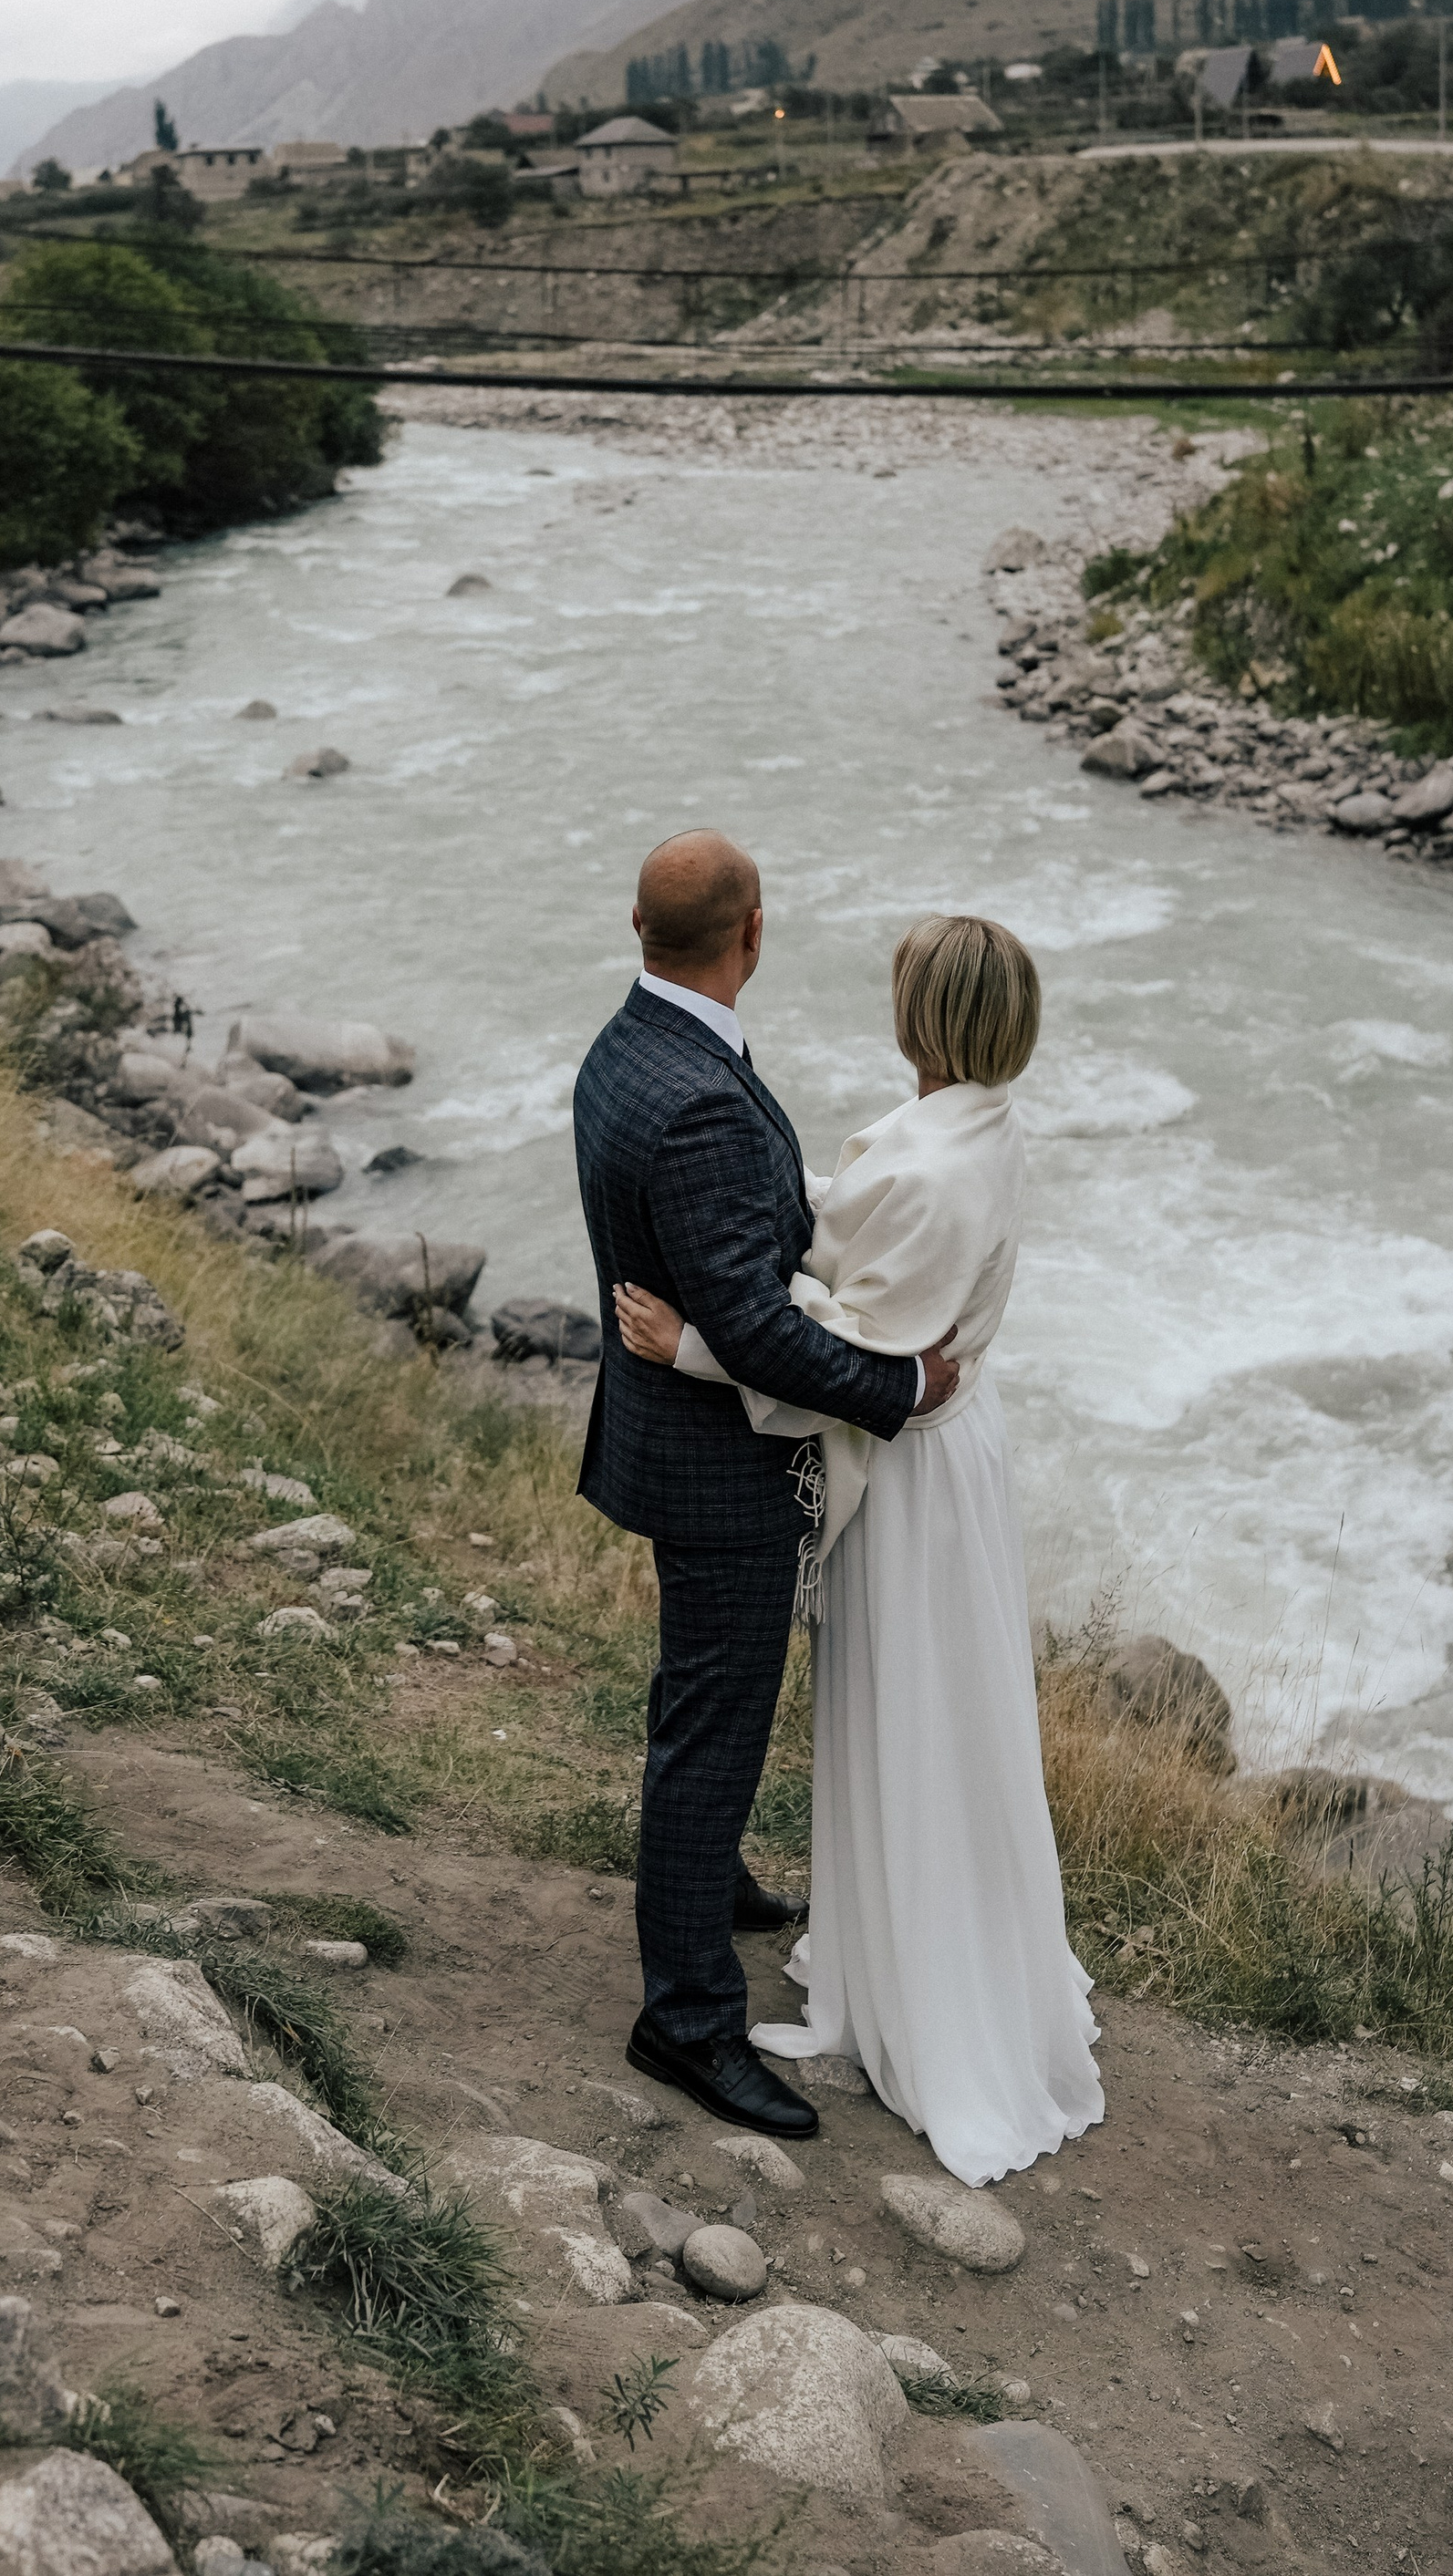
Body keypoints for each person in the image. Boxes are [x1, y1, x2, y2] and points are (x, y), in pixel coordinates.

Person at [613, 911, 1104, 2187]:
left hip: (914, 1465)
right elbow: (855, 1258)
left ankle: (917, 1985)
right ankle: (907, 1935)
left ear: (923, 1018)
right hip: (952, 1440)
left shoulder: (934, 1169)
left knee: (911, 1709)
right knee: (943, 1704)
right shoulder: (980, 1122)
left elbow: (857, 1365)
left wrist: (695, 1344)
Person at [573, 830, 958, 2139]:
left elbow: (719, 1260)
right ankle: (683, 2018)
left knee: (703, 1702)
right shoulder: (698, 1096)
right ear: (754, 934)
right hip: (720, 1466)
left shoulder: (626, 1049)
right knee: (713, 1723)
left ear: (641, 929)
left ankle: (708, 1874)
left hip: (663, 1433)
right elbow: (754, 1333)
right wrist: (903, 1391)